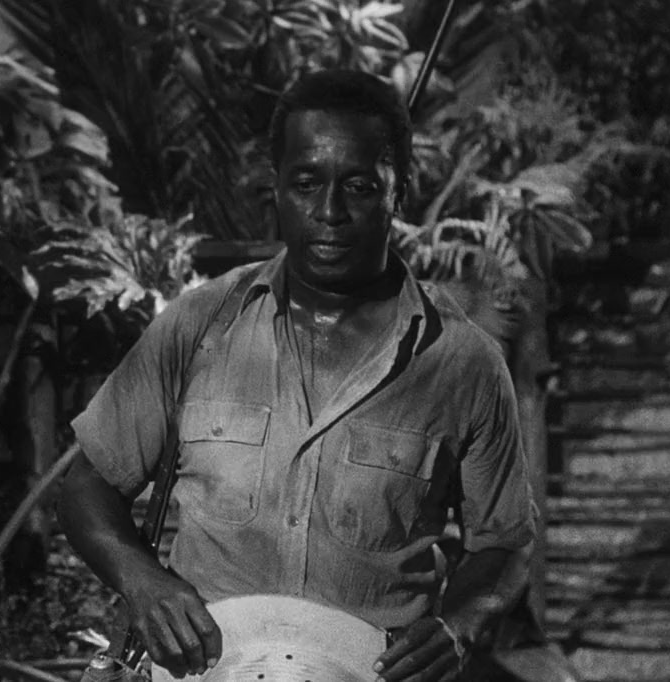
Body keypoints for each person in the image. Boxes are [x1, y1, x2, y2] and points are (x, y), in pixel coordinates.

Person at [59, 69, 537, 681]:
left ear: (400, 191)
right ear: (277, 186)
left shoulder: (462, 363)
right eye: (306, 183)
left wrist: (458, 626)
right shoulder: (197, 328)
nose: (329, 212)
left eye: (359, 186)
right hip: (207, 670)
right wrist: (143, 582)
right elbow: (88, 486)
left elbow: (503, 541)